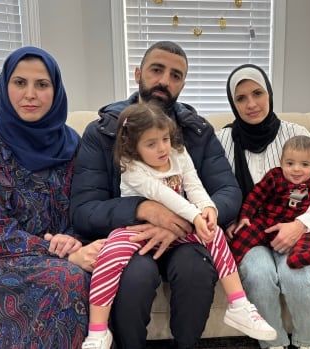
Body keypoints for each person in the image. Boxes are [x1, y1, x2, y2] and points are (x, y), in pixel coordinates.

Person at [70, 41, 243, 349]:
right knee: (135, 278)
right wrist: (144, 208)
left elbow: (228, 191)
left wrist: (183, 219)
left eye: (176, 75)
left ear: (183, 84)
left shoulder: (198, 131)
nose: (165, 80)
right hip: (129, 238)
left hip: (187, 237)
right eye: (157, 70)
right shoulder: (103, 131)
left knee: (195, 271)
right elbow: (85, 210)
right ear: (138, 73)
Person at [81, 102, 276, 348]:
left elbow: (193, 185)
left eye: (165, 138)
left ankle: (239, 305)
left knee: (214, 234)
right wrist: (195, 216)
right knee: (109, 254)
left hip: (177, 230)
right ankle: (98, 333)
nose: (162, 148)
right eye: (151, 144)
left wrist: (207, 209)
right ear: (133, 147)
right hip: (137, 231)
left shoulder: (178, 153)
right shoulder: (132, 168)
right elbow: (165, 196)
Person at [0, 46, 105, 348]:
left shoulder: (73, 143)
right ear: (5, 85)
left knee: (98, 270)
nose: (30, 94)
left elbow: (81, 204)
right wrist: (61, 251)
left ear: (56, 90)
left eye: (42, 84)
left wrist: (73, 240)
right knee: (68, 279)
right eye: (20, 82)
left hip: (61, 245)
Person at [217, 63, 310, 349]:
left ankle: (308, 343)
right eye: (241, 98)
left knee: (295, 275)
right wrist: (229, 219)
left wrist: (300, 225)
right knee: (258, 275)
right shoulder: (222, 140)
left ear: (269, 93)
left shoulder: (297, 135)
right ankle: (274, 345)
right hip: (250, 233)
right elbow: (211, 190)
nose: (251, 104)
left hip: (298, 227)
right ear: (233, 104)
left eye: (257, 93)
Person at [230, 135, 310, 270]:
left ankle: (301, 257)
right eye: (290, 163)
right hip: (268, 221)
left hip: (297, 229)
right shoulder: (275, 176)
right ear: (281, 162)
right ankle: (228, 263)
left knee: (309, 239)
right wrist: (245, 216)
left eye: (304, 164)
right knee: (243, 236)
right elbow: (256, 196)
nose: (296, 169)